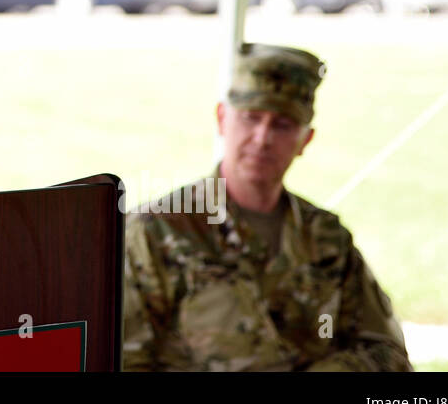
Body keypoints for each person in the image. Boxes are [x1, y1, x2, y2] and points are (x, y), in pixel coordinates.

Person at [121, 43, 412, 371]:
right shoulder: (155, 232)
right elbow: (123, 360)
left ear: (305, 140)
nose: (262, 138)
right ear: (221, 120)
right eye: (251, 118)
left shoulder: (326, 238)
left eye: (282, 125)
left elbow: (387, 353)